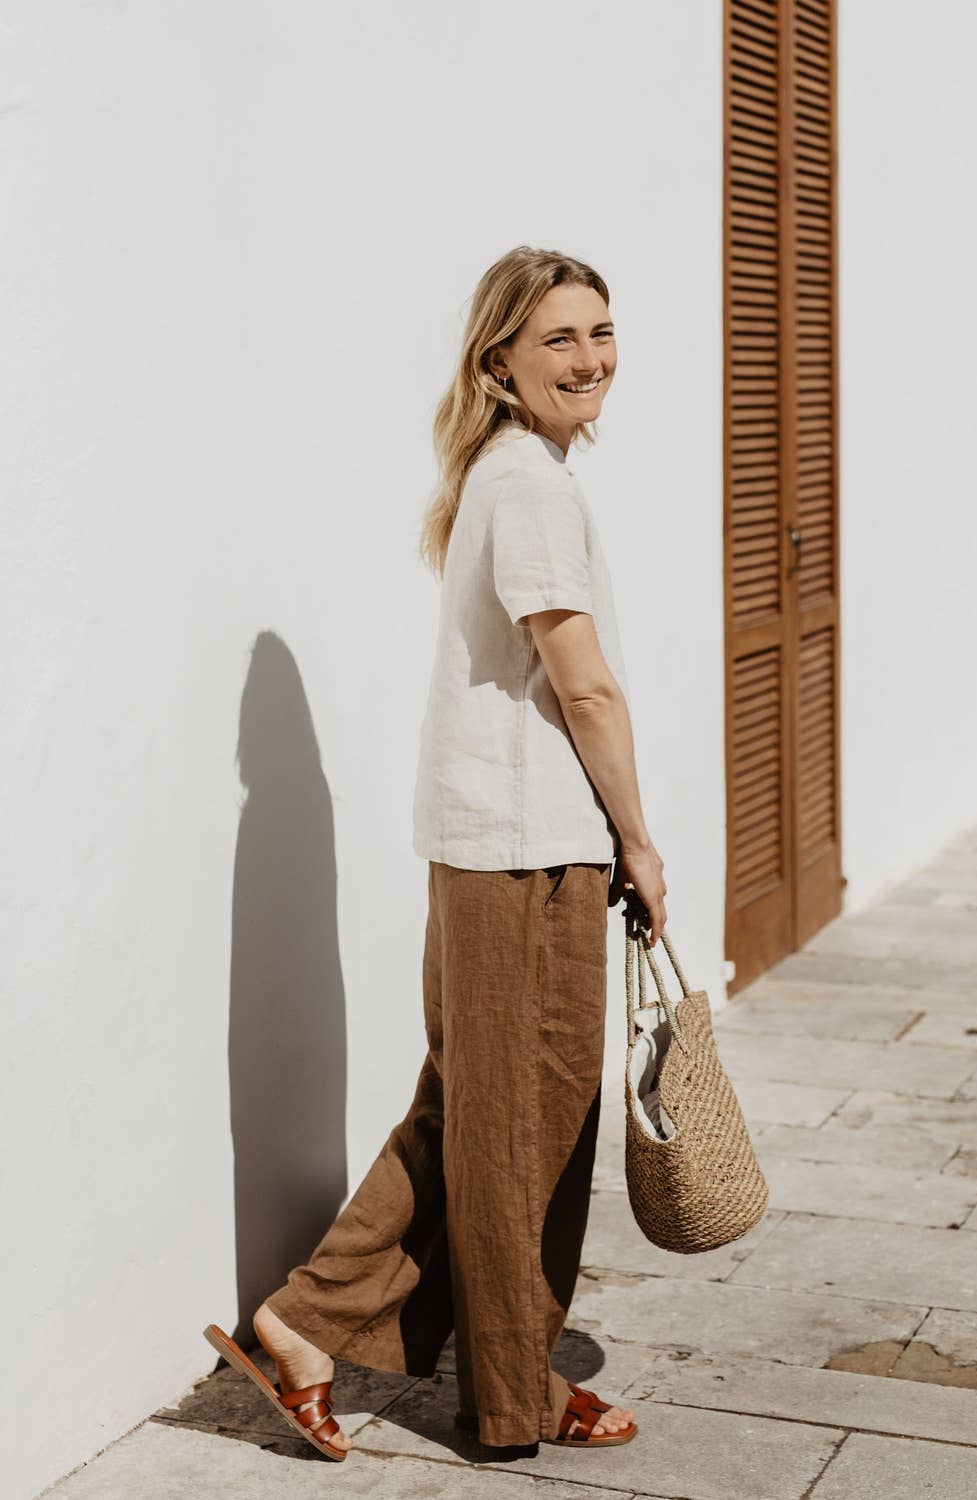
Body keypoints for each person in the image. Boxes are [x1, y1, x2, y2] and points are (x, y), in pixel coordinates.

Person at [205, 246, 668, 1459]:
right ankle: (503, 1393)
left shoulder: (517, 478)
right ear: (500, 363)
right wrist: (640, 838)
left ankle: (312, 1331)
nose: (589, 358)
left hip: (506, 845)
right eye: (559, 338)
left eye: (601, 332)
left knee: (477, 1115)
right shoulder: (529, 490)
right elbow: (586, 687)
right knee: (524, 1131)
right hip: (526, 852)